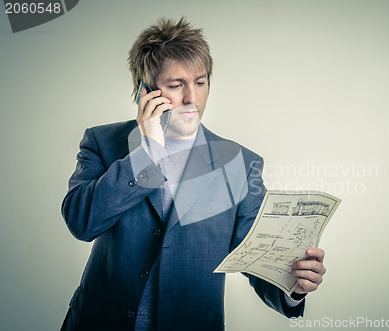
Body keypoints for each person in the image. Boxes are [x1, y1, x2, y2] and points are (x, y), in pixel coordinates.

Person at [61, 17, 326, 331]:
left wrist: (294, 286)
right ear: (145, 91)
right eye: (176, 85)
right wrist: (147, 152)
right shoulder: (102, 143)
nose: (192, 98)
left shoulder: (241, 164)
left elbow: (256, 260)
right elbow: (81, 223)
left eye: (200, 83)